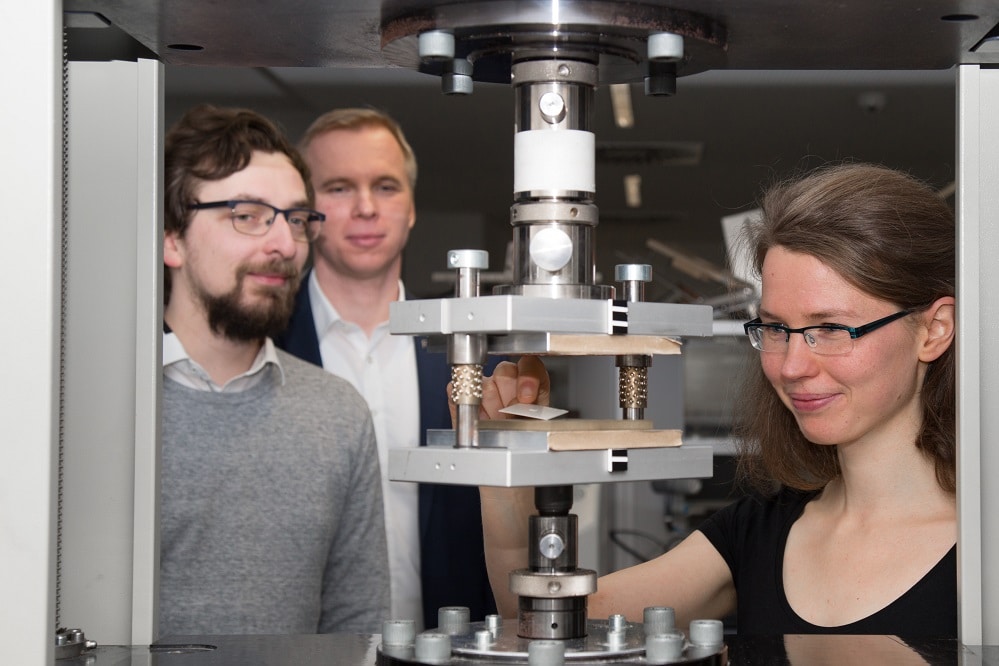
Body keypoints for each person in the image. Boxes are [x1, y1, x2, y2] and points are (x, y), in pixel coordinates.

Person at [476, 163, 957, 638]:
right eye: (774, 329)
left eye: (830, 329)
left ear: (933, 330)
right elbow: (542, 622)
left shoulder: (983, 547)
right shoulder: (757, 534)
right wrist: (503, 475)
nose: (790, 367)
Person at [159, 104, 389, 636]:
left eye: (296, 219)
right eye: (248, 216)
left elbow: (358, 628)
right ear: (173, 237)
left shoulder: (337, 414)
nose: (285, 245)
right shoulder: (91, 406)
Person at [276, 107, 496, 630]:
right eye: (338, 188)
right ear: (304, 211)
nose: (366, 208)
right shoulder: (261, 352)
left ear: (412, 207)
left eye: (386, 186)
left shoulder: (471, 362)